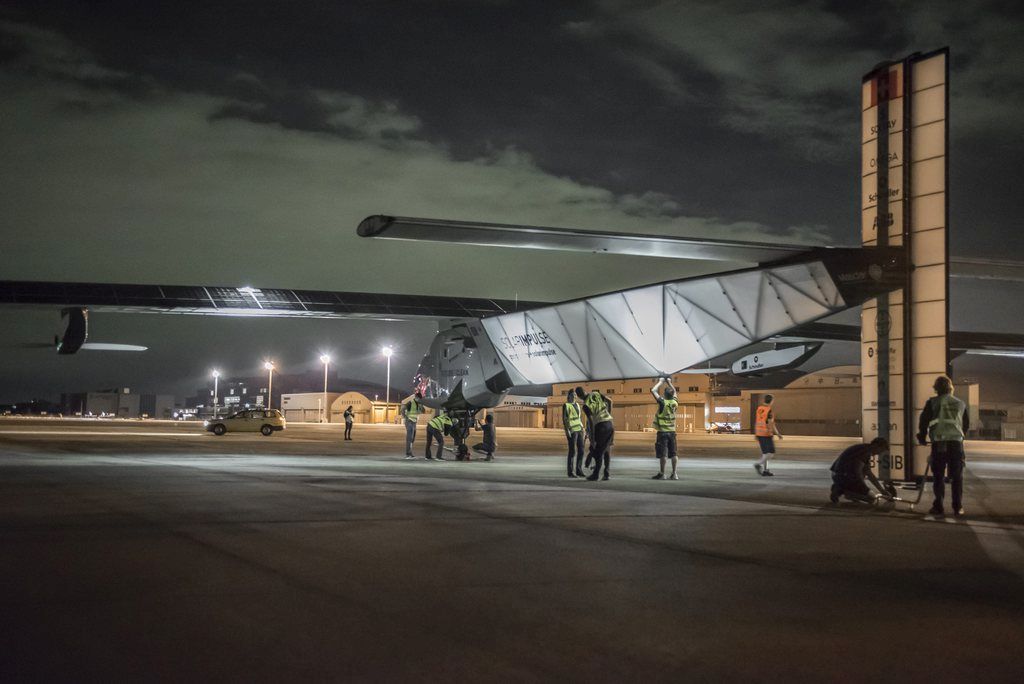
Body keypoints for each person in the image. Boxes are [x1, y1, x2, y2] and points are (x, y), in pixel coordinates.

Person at [917, 375, 970, 516]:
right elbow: (966, 424)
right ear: (950, 387)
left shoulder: (933, 402)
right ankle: (957, 507)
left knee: (939, 476)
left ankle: (938, 506)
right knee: (957, 476)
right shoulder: (960, 403)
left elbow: (923, 421)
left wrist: (922, 437)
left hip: (939, 443)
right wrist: (959, 436)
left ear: (936, 389)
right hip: (955, 444)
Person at [829, 438, 891, 503]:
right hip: (843, 476)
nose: (879, 454)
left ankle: (843, 488)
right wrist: (864, 488)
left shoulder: (863, 448)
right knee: (871, 499)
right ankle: (843, 490)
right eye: (881, 450)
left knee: (863, 477)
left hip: (836, 474)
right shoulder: (865, 453)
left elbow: (868, 473)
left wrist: (882, 491)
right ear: (876, 446)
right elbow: (858, 473)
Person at [576, 386, 614, 481]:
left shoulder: (585, 405)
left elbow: (591, 421)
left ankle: (596, 474)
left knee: (597, 451)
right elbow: (610, 401)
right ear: (585, 391)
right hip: (609, 423)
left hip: (600, 426)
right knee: (607, 449)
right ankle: (607, 474)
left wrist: (592, 438)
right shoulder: (596, 394)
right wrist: (608, 414)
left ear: (579, 397)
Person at [650, 377, 679, 480]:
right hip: (672, 431)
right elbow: (674, 391)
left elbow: (653, 390)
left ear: (665, 394)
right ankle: (674, 474)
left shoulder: (663, 402)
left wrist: (661, 382)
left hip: (662, 432)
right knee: (674, 453)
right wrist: (670, 382)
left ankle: (662, 473)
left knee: (663, 454)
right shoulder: (675, 402)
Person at [753, 394, 782, 476]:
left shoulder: (759, 409)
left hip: (759, 433)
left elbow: (757, 421)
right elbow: (771, 424)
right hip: (766, 433)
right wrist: (777, 433)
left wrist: (756, 433)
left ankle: (765, 470)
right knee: (771, 453)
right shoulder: (769, 410)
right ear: (771, 401)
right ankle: (758, 464)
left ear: (764, 400)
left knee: (765, 454)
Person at [563, 389, 585, 478]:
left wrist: (583, 427)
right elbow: (565, 419)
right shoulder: (566, 405)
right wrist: (567, 431)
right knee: (572, 451)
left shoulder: (577, 405)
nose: (574, 396)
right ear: (569, 396)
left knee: (582, 450)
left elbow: (579, 418)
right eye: (572, 395)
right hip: (571, 430)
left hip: (579, 429)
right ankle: (570, 472)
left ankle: (579, 470)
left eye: (575, 395)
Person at [401, 391, 424, 459]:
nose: (419, 399)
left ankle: (410, 453)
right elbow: (402, 409)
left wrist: (421, 406)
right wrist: (405, 417)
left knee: (412, 438)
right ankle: (408, 454)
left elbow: (423, 411)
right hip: (409, 421)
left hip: (414, 422)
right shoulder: (411, 402)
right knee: (409, 438)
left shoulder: (419, 403)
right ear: (416, 397)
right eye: (418, 398)